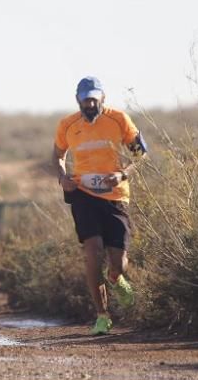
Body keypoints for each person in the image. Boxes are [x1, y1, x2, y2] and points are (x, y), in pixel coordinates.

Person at [54, 76, 147, 336]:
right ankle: (102, 315)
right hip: (83, 194)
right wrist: (62, 177)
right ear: (78, 100)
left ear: (102, 98)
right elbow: (58, 154)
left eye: (94, 98)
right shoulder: (67, 125)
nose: (90, 103)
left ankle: (116, 278)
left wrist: (123, 173)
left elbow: (140, 153)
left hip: (116, 195)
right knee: (92, 251)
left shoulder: (119, 120)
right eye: (86, 99)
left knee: (118, 261)